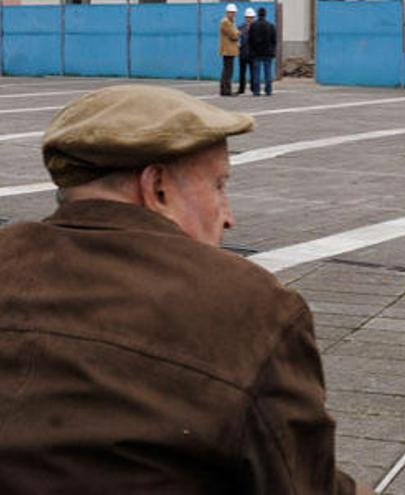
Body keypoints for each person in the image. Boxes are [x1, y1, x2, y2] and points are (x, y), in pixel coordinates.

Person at [0, 85, 370, 494]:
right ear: (156, 187)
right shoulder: (249, 305)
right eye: (219, 186)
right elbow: (299, 480)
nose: (228, 217)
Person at [248, 7, 277, 96]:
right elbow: (274, 40)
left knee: (256, 72)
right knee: (268, 72)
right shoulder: (271, 26)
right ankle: (268, 90)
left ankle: (256, 91)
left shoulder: (253, 25)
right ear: (265, 14)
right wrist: (272, 50)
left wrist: (251, 50)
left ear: (258, 14)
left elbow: (250, 40)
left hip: (256, 53)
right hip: (268, 52)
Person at [219, 3, 240, 96]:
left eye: (234, 12)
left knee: (227, 70)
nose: (233, 14)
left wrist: (236, 32)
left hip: (230, 50)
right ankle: (226, 90)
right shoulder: (226, 22)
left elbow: (235, 32)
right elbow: (233, 35)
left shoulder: (231, 22)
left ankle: (224, 89)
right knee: (228, 71)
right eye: (231, 12)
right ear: (227, 12)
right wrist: (237, 33)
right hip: (228, 50)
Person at [237, 7, 257, 95]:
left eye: (251, 17)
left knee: (253, 72)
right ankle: (241, 88)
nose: (250, 19)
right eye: (248, 17)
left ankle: (253, 88)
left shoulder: (257, 27)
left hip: (252, 53)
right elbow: (237, 38)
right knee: (242, 72)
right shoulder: (241, 27)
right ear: (245, 18)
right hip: (243, 52)